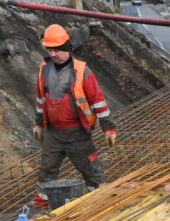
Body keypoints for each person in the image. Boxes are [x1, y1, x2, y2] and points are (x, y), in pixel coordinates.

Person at [33, 24, 115, 202]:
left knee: (91, 170)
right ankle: (43, 203)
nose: (52, 54)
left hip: (77, 133)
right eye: (49, 50)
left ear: (66, 47)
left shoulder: (82, 71)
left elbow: (98, 101)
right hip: (53, 133)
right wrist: (39, 124)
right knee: (46, 170)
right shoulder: (44, 70)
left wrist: (108, 128)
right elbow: (41, 100)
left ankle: (99, 199)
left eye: (56, 50)